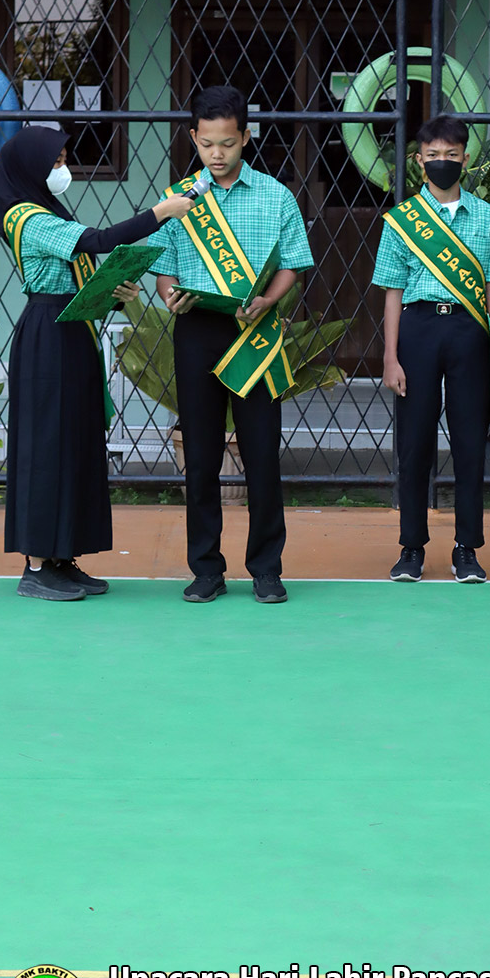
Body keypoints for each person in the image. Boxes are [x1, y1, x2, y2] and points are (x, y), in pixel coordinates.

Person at [0, 125, 195, 601]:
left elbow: (77, 278)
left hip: (71, 329)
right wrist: (161, 213)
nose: (62, 168)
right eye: (55, 160)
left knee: (76, 443)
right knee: (47, 447)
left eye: (64, 158)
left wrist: (115, 293)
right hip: (47, 335)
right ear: (30, 166)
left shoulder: (46, 210)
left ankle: (64, 558)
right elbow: (98, 240)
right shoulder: (25, 216)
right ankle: (38, 565)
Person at [153, 84, 313, 604]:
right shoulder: (179, 200)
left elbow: (293, 262)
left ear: (246, 136)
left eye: (226, 143)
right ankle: (206, 569)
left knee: (262, 452)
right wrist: (171, 294)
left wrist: (269, 300)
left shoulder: (276, 196)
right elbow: (165, 272)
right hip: (197, 328)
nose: (216, 155)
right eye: (205, 144)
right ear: (192, 138)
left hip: (255, 331)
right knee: (200, 455)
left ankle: (267, 567)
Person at [372, 114, 490, 583]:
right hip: (418, 329)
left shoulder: (488, 218)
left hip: (469, 332)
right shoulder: (401, 221)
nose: (442, 163)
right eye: (433, 156)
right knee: (414, 445)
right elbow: (392, 291)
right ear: (419, 161)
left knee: (471, 443)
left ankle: (466, 548)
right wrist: (390, 356)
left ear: (466, 159)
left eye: (451, 156)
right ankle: (411, 546)